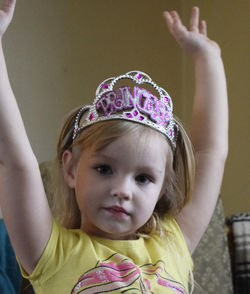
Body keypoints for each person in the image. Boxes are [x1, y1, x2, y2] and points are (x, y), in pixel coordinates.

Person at [0, 0, 228, 293]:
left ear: (162, 189)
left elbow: (210, 153)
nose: (122, 189)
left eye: (144, 178)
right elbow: (14, 160)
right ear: (70, 167)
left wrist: (208, 58)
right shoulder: (51, 253)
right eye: (104, 168)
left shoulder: (174, 243)